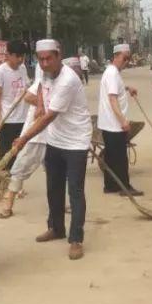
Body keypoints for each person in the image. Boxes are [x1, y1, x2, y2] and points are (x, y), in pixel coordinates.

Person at [12, 39, 93, 260]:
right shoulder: (45, 72)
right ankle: (56, 228)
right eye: (41, 59)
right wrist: (39, 101)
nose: (45, 63)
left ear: (59, 56)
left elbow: (49, 117)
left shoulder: (68, 80)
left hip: (76, 141)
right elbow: (40, 86)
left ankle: (76, 239)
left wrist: (23, 138)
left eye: (49, 58)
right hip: (55, 139)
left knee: (74, 191)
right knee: (53, 188)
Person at [0, 64, 54, 220]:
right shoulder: (41, 83)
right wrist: (43, 103)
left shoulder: (61, 82)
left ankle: (58, 204)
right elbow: (28, 97)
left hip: (54, 135)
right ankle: (8, 204)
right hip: (35, 135)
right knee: (20, 168)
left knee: (55, 171)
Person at [98, 44, 142, 197]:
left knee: (110, 156)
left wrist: (127, 88)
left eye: (128, 58)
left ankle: (110, 186)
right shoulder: (112, 73)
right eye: (125, 58)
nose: (127, 61)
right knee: (120, 157)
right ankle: (125, 187)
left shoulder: (113, 73)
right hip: (114, 124)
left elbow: (116, 90)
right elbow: (112, 99)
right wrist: (123, 120)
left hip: (108, 123)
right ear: (116, 56)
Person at [0, 40, 30, 169]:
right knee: (6, 154)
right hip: (7, 120)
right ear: (8, 55)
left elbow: (27, 88)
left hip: (23, 118)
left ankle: (15, 186)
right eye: (18, 56)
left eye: (22, 56)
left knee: (20, 153)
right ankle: (3, 183)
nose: (21, 59)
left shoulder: (23, 68)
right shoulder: (0, 72)